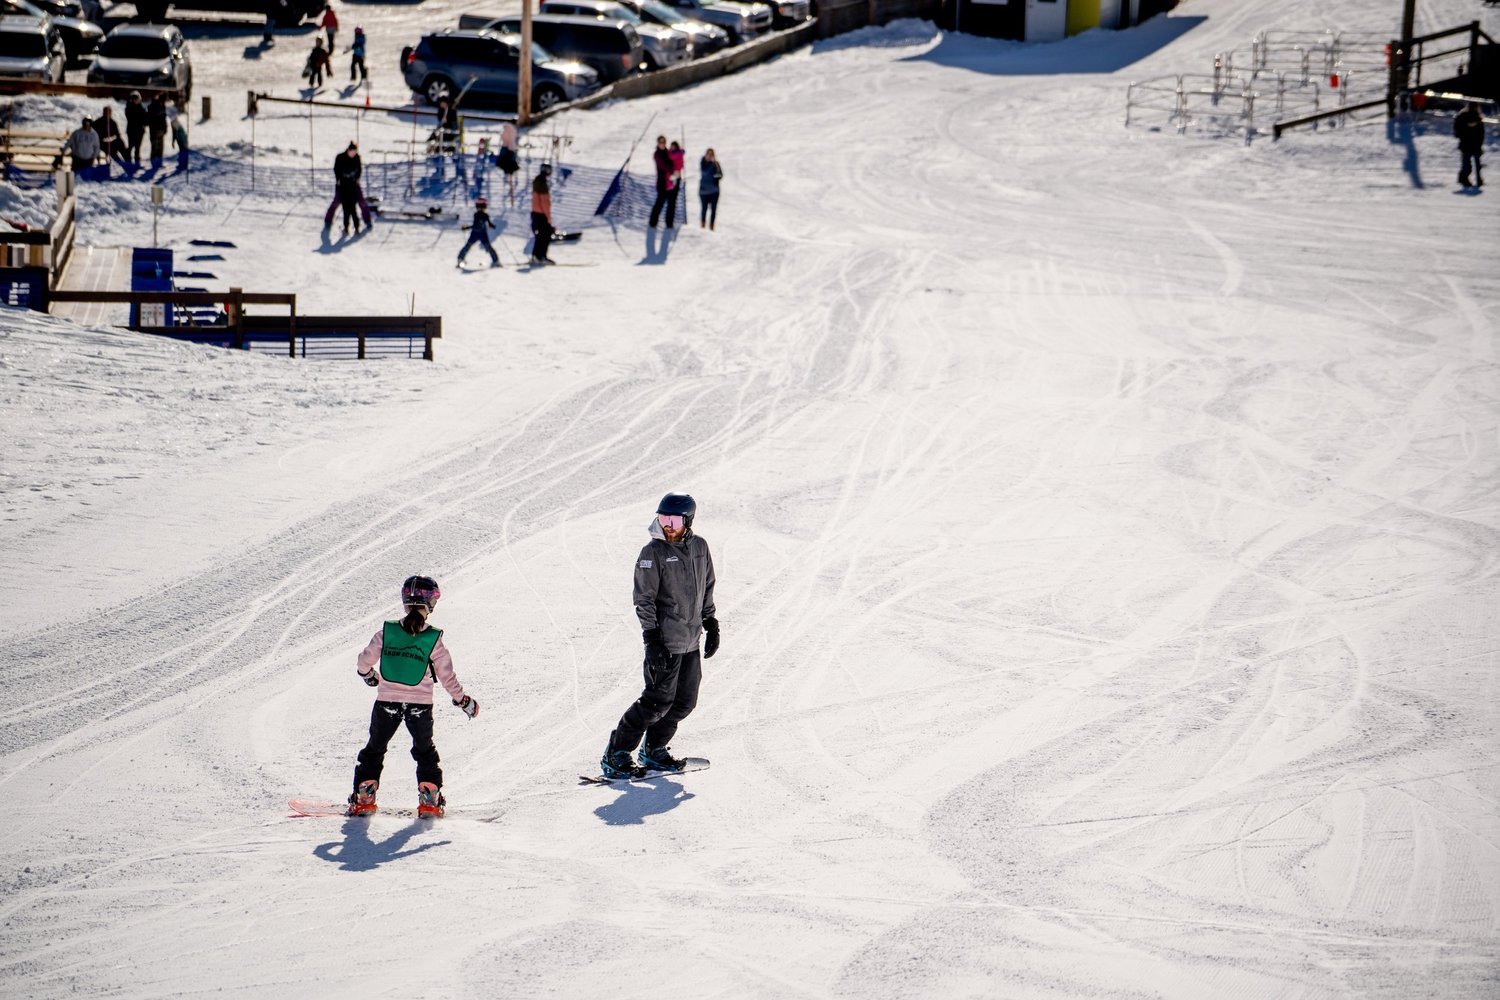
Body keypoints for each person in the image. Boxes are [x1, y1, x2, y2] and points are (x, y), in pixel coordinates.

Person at [600, 493, 720, 779]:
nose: (668, 526)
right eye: (663, 519)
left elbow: (707, 586)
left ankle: (654, 750)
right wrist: (651, 639)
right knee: (656, 702)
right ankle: (616, 752)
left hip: (690, 641)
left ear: (687, 521)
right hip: (665, 642)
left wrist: (711, 621)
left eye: (674, 520)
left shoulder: (700, 547)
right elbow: (644, 599)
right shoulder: (652, 553)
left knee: (684, 702)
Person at [347, 575, 479, 818]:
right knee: (424, 750)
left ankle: (365, 794)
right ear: (430, 604)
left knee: (375, 748)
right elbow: (447, 676)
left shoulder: (387, 632)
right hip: (420, 706)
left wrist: (369, 676)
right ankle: (429, 798)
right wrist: (463, 700)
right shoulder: (433, 640)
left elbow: (363, 662)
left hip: (387, 702)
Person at [323, 141, 372, 233]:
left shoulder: (357, 157)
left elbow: (359, 170)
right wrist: (341, 177)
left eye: (355, 152)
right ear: (348, 150)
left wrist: (356, 177)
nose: (353, 154)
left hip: (354, 185)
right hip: (342, 185)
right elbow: (336, 169)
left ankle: (367, 220)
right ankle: (328, 221)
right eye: (352, 152)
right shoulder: (340, 157)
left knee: (361, 201)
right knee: (336, 202)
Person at [457, 196, 500, 267]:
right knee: (488, 247)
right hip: (481, 234)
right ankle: (496, 261)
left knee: (468, 246)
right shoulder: (484, 215)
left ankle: (460, 259)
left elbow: (478, 225)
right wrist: (492, 226)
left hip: (476, 233)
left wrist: (467, 227)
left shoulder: (478, 215)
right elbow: (487, 224)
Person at [1455, 101, 1485, 188]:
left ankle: (1465, 179)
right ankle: (1477, 180)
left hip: (1466, 143)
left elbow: (1457, 131)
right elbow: (1481, 133)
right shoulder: (1477, 117)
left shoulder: (1462, 116)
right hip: (1473, 144)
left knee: (1467, 164)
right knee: (1476, 164)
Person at [529, 165, 555, 264]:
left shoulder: (537, 180)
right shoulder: (542, 183)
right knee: (545, 236)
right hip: (542, 214)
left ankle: (536, 255)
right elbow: (544, 203)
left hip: (535, 213)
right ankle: (541, 256)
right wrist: (548, 218)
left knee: (539, 236)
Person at [647, 135, 674, 228]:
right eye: (660, 142)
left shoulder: (668, 152)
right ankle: (653, 222)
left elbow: (674, 159)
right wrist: (671, 169)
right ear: (658, 143)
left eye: (663, 142)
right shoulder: (657, 154)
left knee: (671, 204)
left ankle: (669, 223)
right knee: (659, 203)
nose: (662, 144)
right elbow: (663, 166)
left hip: (670, 182)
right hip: (662, 182)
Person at [496, 121, 520, 205]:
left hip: (507, 150)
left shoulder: (507, 128)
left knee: (504, 165)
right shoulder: (513, 129)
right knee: (509, 167)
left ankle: (509, 182)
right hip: (511, 149)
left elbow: (505, 139)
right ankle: (510, 184)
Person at [699, 147, 722, 230]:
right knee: (704, 209)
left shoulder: (716, 164)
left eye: (711, 154)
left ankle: (712, 226)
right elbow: (704, 172)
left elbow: (720, 175)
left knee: (713, 210)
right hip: (704, 191)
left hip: (714, 191)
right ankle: (702, 225)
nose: (709, 156)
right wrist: (712, 165)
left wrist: (716, 171)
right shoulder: (703, 163)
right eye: (708, 154)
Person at [666, 139, 685, 228]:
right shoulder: (669, 154)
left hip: (677, 178)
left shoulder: (679, 155)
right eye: (672, 147)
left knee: (673, 201)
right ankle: (668, 221)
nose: (673, 148)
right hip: (670, 178)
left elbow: (681, 165)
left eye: (674, 147)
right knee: (670, 201)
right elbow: (671, 158)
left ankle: (670, 222)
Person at [123, 90, 147, 163]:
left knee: (138, 147)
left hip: (140, 131)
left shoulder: (142, 108)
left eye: (137, 99)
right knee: (131, 146)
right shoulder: (129, 108)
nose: (136, 100)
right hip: (131, 130)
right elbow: (131, 118)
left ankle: (137, 159)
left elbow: (145, 118)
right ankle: (128, 159)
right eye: (134, 99)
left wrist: (144, 123)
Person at [166, 99, 189, 171]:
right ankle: (182, 163)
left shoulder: (176, 121)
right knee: (182, 150)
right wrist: (173, 141)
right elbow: (174, 132)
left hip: (181, 138)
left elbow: (178, 132)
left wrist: (176, 140)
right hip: (179, 138)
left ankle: (183, 164)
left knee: (183, 150)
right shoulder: (173, 121)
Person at [146, 94, 167, 167]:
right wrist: (155, 130)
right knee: (154, 147)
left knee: (160, 148)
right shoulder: (153, 106)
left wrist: (165, 129)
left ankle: (159, 163)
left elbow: (164, 119)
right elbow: (150, 120)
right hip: (154, 131)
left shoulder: (163, 107)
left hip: (161, 130)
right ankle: (153, 163)